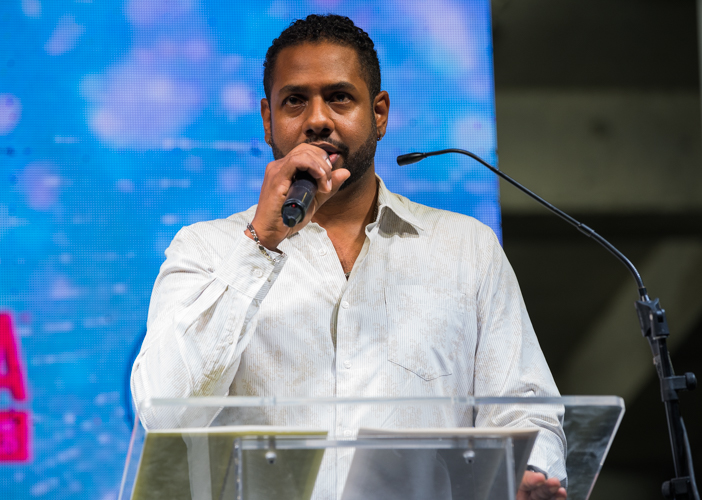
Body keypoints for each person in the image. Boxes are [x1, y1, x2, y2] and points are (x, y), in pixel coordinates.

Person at [131, 14, 567, 500]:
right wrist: (261, 242)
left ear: (379, 113)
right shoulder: (205, 250)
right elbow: (164, 411)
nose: (317, 119)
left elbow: (524, 410)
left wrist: (526, 474)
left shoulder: (467, 248)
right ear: (268, 119)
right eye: (295, 100)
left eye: (339, 97)